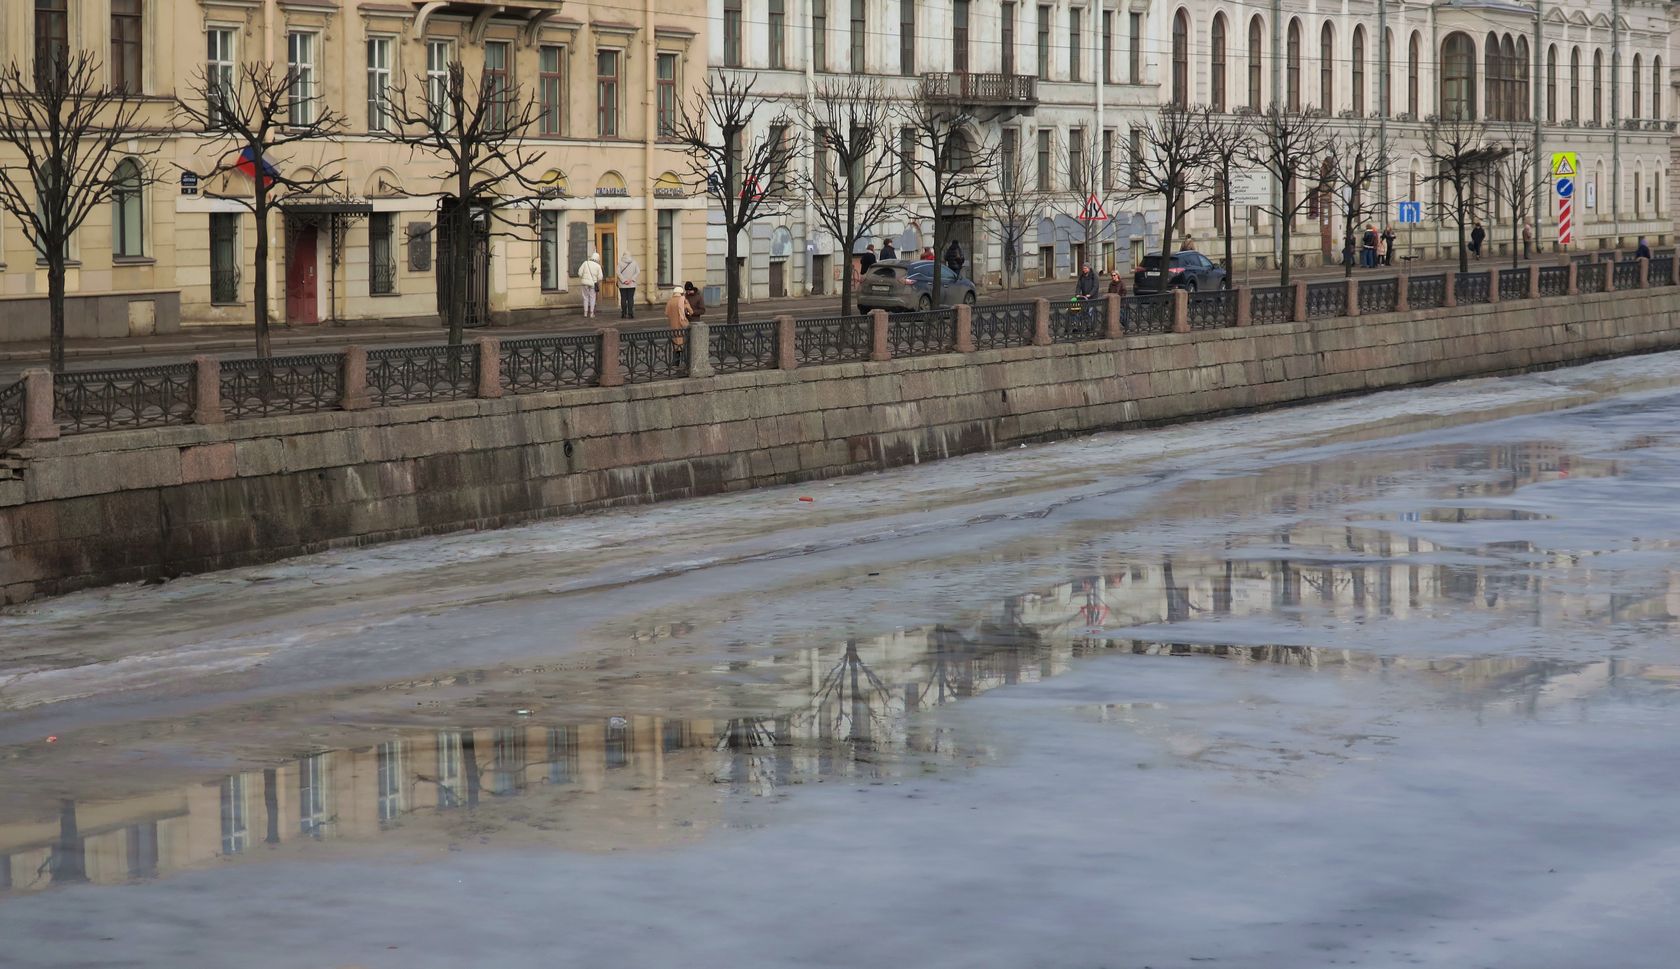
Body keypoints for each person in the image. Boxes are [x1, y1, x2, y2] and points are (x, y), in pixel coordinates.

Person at [577, 251, 603, 318]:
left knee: (585, 298)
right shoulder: (598, 266)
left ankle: (585, 313)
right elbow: (600, 277)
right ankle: (591, 313)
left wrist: (583, 278)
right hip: (593, 284)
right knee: (592, 298)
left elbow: (579, 273)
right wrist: (596, 280)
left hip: (584, 283)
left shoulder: (585, 263)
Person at [617, 253, 640, 319]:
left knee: (623, 298)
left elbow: (618, 273)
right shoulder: (634, 262)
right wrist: (632, 279)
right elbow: (638, 271)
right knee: (630, 298)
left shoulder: (620, 263)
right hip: (631, 284)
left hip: (622, 284)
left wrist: (623, 280)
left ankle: (623, 313)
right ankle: (630, 313)